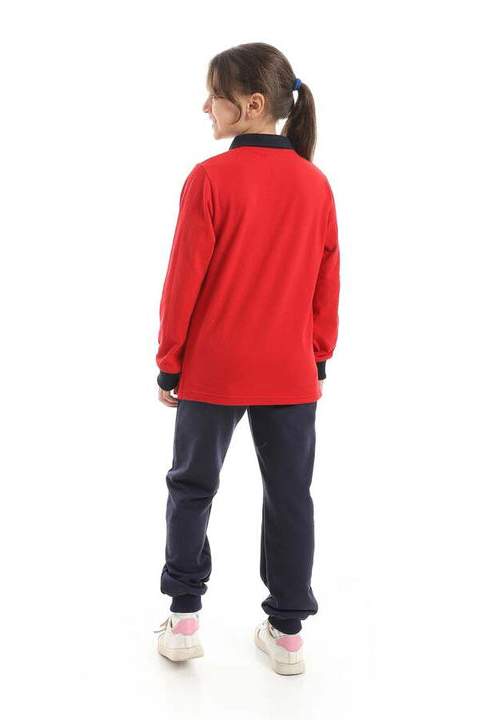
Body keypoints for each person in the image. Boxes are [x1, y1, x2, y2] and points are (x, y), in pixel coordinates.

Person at [152, 42, 340, 675]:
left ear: (253, 104)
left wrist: (170, 361)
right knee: (290, 496)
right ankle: (288, 634)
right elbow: (327, 280)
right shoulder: (315, 183)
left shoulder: (210, 178)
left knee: (192, 487)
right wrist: (317, 355)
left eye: (215, 95)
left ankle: (183, 620)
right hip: (290, 372)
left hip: (214, 370)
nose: (205, 106)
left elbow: (183, 279)